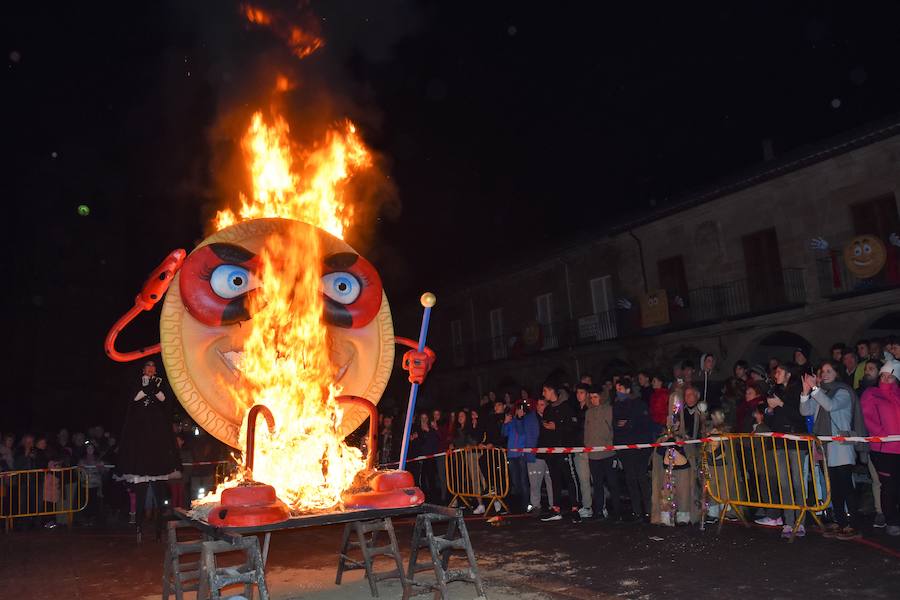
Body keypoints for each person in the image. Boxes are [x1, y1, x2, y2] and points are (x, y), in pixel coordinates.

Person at [114, 360, 182, 541]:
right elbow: (134, 400)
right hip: (141, 443)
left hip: (157, 444)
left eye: (153, 367)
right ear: (143, 369)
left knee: (160, 496)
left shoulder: (160, 383)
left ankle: (159, 529)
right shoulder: (137, 383)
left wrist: (153, 387)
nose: (151, 369)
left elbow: (164, 400)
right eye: (148, 367)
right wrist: (146, 388)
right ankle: (138, 527)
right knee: (141, 495)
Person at [800, 361, 861, 539]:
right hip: (826, 447)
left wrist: (815, 389)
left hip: (841, 446)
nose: (824, 374)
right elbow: (805, 410)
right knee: (833, 487)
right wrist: (805, 391)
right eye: (822, 371)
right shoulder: (821, 393)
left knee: (846, 486)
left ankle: (854, 523)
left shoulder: (843, 391)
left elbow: (831, 406)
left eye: (829, 371)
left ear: (837, 373)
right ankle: (840, 521)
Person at [764, 363, 808, 538]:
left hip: (796, 441)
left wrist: (780, 403)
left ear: (788, 374)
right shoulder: (775, 391)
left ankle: (801, 521)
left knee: (798, 482)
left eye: (779, 372)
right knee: (784, 484)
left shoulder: (797, 390)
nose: (776, 375)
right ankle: (788, 522)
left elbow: (799, 415)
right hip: (779, 442)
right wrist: (769, 410)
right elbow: (770, 420)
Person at [861, 360, 900, 536]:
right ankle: (891, 520)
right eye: (883, 375)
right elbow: (868, 418)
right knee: (889, 485)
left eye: (890, 377)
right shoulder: (872, 393)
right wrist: (883, 434)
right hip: (883, 449)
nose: (885, 379)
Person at [539, 383, 581, 522]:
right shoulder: (548, 410)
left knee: (570, 478)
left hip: (564, 449)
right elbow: (544, 431)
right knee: (555, 479)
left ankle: (575, 508)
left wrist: (557, 427)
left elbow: (573, 427)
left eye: (545, 390)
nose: (543, 393)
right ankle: (556, 508)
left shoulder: (566, 407)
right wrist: (544, 451)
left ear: (552, 391)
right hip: (551, 451)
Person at [613, 377, 653, 521]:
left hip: (640, 448)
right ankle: (636, 511)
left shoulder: (639, 404)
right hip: (625, 449)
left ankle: (648, 509)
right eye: (616, 389)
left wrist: (629, 423)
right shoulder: (617, 406)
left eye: (621, 389)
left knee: (641, 478)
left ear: (628, 390)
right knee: (630, 479)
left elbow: (645, 423)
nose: (618, 392)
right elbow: (615, 426)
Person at [584, 385, 620, 520]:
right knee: (597, 484)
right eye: (591, 397)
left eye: (595, 397)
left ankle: (617, 511)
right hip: (593, 454)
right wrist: (587, 445)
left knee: (612, 483)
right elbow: (587, 432)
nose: (593, 400)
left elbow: (613, 429)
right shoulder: (588, 412)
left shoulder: (609, 410)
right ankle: (599, 510)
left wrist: (610, 445)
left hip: (608, 453)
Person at [502, 400, 539, 513]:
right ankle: (517, 505)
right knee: (515, 480)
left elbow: (522, 432)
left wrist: (519, 420)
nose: (519, 411)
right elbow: (504, 433)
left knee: (523, 480)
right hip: (512, 455)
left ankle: (526, 504)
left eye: (521, 409)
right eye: (517, 409)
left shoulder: (525, 421)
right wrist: (505, 422)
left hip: (521, 454)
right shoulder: (512, 422)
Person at [528, 397, 554, 515]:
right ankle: (535, 505)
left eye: (542, 404)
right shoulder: (531, 418)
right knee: (535, 482)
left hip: (550, 454)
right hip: (536, 454)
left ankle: (553, 505)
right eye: (538, 404)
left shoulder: (552, 417)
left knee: (551, 481)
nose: (539, 407)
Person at [78, 441, 106, 525]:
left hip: (95, 485)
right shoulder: (81, 460)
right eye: (88, 448)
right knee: (85, 502)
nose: (90, 449)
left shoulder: (98, 460)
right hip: (85, 484)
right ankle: (85, 518)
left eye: (91, 448)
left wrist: (100, 467)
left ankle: (93, 519)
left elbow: (102, 472)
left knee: (94, 502)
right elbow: (79, 472)